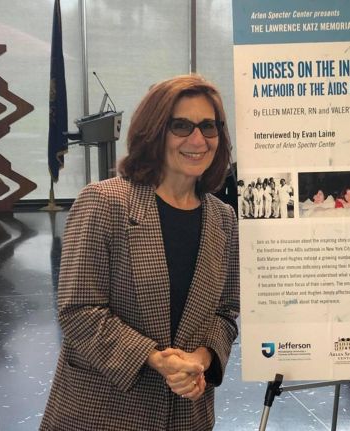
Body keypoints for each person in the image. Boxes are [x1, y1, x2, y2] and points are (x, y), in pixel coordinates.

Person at [40, 75, 240, 431]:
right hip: (104, 412)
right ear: (154, 132)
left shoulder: (222, 219)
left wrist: (201, 358)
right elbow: (78, 310)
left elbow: (226, 312)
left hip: (186, 413)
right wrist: (154, 358)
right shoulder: (103, 202)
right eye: (181, 126)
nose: (198, 140)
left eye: (208, 127)